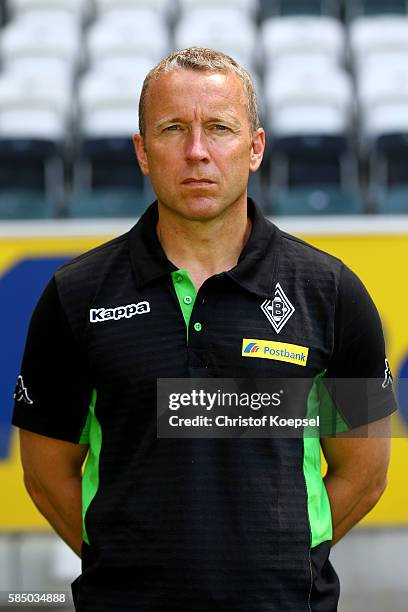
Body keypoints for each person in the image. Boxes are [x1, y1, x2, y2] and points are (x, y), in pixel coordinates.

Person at [12, 47, 397, 612]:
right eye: (172, 129)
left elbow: (364, 471)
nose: (197, 152)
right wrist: (126, 566)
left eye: (219, 128)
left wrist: (280, 561)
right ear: (142, 152)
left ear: (256, 148)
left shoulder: (332, 292)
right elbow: (46, 476)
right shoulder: (75, 295)